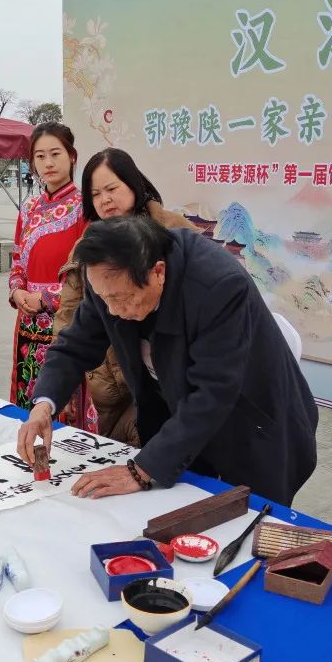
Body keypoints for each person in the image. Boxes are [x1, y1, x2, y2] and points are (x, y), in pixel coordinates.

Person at [17, 216, 319, 505]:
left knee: (250, 528)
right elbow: (73, 345)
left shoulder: (219, 285)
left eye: (122, 299)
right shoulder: (109, 280)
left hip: (255, 428)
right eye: (103, 298)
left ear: (158, 272)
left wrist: (141, 470)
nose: (111, 310)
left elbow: (213, 393)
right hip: (185, 427)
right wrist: (44, 406)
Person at [54, 148, 197, 442]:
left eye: (111, 188)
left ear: (133, 184)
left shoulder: (174, 230)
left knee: (166, 449)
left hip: (166, 372)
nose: (104, 200)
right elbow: (69, 312)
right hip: (108, 378)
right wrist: (62, 379)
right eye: (95, 194)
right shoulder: (89, 246)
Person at [8, 122, 88, 409]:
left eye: (55, 154)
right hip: (27, 323)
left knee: (65, 403)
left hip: (66, 324)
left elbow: (87, 273)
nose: (48, 163)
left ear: (72, 156)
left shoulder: (85, 207)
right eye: (40, 156)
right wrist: (17, 291)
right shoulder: (28, 209)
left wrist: (46, 298)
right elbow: (17, 261)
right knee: (26, 399)